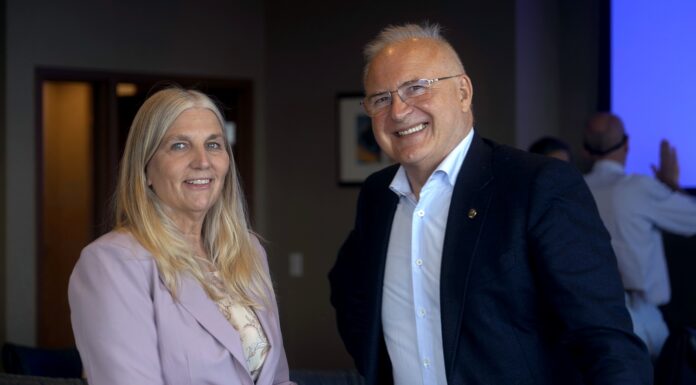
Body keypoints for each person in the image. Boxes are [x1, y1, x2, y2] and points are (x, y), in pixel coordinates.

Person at [328, 23, 651, 385]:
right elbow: (350, 292)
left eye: (416, 88)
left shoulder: (536, 186)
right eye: (381, 99)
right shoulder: (378, 195)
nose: (399, 111)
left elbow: (606, 342)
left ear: (463, 93)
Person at [69, 88, 294, 385]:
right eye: (179, 146)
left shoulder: (247, 252)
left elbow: (277, 379)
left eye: (213, 144)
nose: (202, 161)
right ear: (145, 168)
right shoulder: (113, 263)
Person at [583, 112, 696, 360]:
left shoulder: (574, 189)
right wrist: (671, 184)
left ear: (585, 150)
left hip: (589, 319)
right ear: (627, 144)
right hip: (642, 318)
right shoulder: (638, 188)